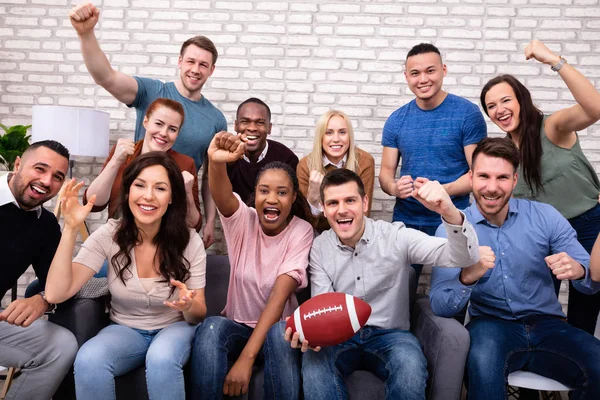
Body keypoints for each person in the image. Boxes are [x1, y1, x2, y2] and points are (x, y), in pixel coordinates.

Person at [286, 168, 480, 400]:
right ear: (325, 209)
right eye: (333, 203)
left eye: (350, 200)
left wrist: (448, 211)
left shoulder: (395, 237)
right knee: (314, 362)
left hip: (391, 335)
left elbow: (463, 258)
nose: (342, 210)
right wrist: (314, 335)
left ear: (365, 202)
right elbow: (323, 308)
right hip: (341, 338)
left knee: (409, 365)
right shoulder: (320, 248)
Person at [429, 137, 600, 400]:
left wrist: (579, 270)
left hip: (549, 326)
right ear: (471, 178)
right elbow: (441, 304)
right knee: (482, 368)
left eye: (502, 178)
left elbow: (591, 280)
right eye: (484, 176)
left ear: (515, 180)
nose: (492, 188)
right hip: (490, 326)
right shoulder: (451, 230)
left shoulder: (546, 217)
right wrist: (467, 276)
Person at [45, 152, 207, 400]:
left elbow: (199, 313)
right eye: (140, 185)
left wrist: (187, 305)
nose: (148, 196)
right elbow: (56, 293)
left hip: (174, 327)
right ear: (128, 191)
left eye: (160, 188)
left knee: (161, 358)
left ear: (172, 197)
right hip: (125, 330)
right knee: (89, 359)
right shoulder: (109, 235)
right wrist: (69, 229)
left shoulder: (189, 240)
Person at [69, 2, 227, 248]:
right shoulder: (152, 91)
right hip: (132, 217)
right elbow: (106, 77)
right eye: (191, 62)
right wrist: (86, 33)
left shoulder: (215, 119)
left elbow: (209, 177)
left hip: (174, 219)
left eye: (203, 65)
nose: (195, 70)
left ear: (211, 70)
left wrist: (209, 221)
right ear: (180, 61)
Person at [480, 39, 600, 334]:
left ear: (521, 98)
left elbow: (595, 108)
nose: (499, 109)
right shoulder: (505, 154)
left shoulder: (552, 127)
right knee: (540, 308)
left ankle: (579, 373)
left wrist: (552, 60)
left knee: (585, 303)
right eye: (491, 106)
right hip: (544, 233)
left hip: (587, 224)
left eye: (505, 100)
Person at [190, 132, 313, 400]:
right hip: (237, 327)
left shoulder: (301, 231)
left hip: (277, 331)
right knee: (211, 328)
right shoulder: (243, 221)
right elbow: (222, 196)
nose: (272, 199)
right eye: (264, 191)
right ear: (254, 195)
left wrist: (246, 360)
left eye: (282, 193)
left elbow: (279, 298)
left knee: (281, 332)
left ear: (293, 198)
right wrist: (216, 161)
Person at [379, 43, 487, 278]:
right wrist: (394, 188)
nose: (423, 79)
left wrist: (440, 192)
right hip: (406, 221)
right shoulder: (396, 120)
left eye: (430, 71)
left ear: (443, 70)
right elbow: (385, 174)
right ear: (406, 76)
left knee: (450, 291)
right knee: (398, 290)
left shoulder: (467, 114)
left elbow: (479, 174)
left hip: (452, 219)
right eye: (415, 73)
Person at [0, 140, 78, 400]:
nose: (46, 181)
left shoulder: (45, 226)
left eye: (57, 176)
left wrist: (43, 301)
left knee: (60, 344)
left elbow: (58, 283)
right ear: (18, 164)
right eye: (40, 169)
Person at [84, 97, 201, 231]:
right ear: (145, 122)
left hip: (165, 244)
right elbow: (92, 204)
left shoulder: (185, 164)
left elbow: (193, 225)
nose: (163, 133)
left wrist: (186, 193)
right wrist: (115, 162)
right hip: (119, 239)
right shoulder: (122, 154)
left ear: (178, 133)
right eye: (158, 124)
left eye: (172, 129)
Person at [297, 110, 375, 232]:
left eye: (342, 132)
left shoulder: (364, 161)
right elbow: (305, 224)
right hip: (317, 234)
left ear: (350, 136)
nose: (336, 139)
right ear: (321, 137)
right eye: (328, 133)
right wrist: (312, 198)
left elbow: (363, 214)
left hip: (354, 234)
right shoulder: (306, 165)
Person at [226, 98, 299, 203]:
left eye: (260, 122)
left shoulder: (286, 158)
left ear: (269, 128)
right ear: (236, 125)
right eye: (245, 121)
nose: (252, 128)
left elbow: (291, 201)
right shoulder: (226, 157)